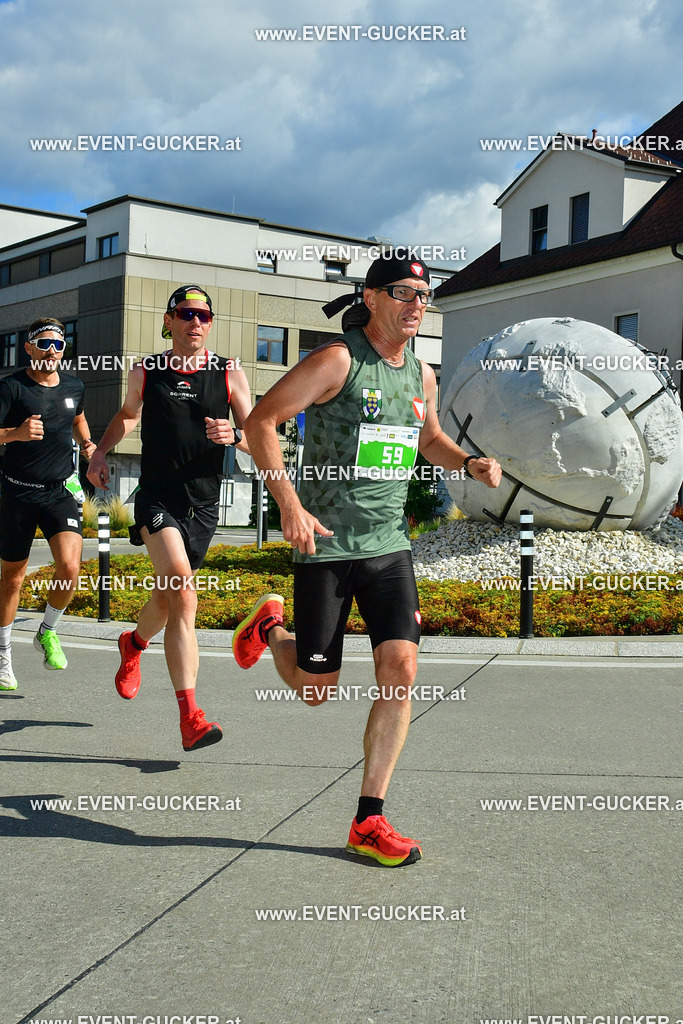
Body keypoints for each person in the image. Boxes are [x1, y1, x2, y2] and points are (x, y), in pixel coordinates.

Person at [233, 251, 502, 866]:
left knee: (401, 671)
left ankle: (368, 818)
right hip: (325, 546)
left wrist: (467, 462)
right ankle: (270, 628)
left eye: (423, 296)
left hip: (387, 546)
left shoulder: (423, 375)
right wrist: (291, 507)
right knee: (313, 689)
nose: (416, 305)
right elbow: (260, 422)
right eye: (404, 293)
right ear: (373, 298)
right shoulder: (338, 361)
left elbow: (427, 437)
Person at [87, 285, 251, 751]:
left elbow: (260, 433)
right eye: (186, 314)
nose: (195, 322)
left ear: (210, 324)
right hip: (157, 498)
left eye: (203, 315)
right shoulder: (148, 370)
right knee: (182, 588)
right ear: (170, 320)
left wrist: (234, 434)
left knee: (167, 598)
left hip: (204, 505)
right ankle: (190, 716)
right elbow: (126, 415)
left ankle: (132, 646)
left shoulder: (228, 372)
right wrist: (100, 454)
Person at [0, 317, 96, 689]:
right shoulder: (11, 388)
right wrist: (15, 434)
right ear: (29, 348)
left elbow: (78, 418)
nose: (52, 350)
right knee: (12, 579)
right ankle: (4, 653)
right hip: (17, 491)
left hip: (59, 491)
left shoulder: (74, 385)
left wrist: (89, 447)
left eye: (59, 344)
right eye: (44, 343)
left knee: (70, 566)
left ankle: (47, 631)